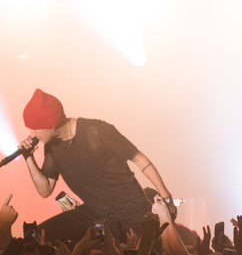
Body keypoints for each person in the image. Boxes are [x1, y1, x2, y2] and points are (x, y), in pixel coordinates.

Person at [18, 88, 176, 246]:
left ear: (51, 124)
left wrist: (165, 195)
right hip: (96, 214)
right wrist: (28, 157)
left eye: (35, 127)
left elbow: (139, 159)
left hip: (131, 211)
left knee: (142, 254)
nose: (32, 134)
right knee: (37, 236)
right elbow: (45, 190)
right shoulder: (52, 147)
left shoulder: (97, 131)